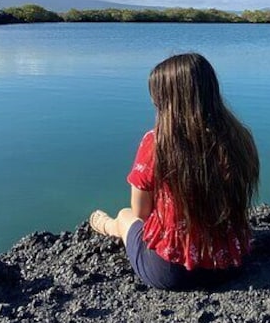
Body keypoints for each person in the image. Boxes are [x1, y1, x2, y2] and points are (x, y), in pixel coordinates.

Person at [89, 53, 259, 290]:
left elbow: (141, 213)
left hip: (173, 272)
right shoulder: (240, 138)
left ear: (165, 99)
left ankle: (108, 225)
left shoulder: (156, 143)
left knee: (126, 215)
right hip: (230, 264)